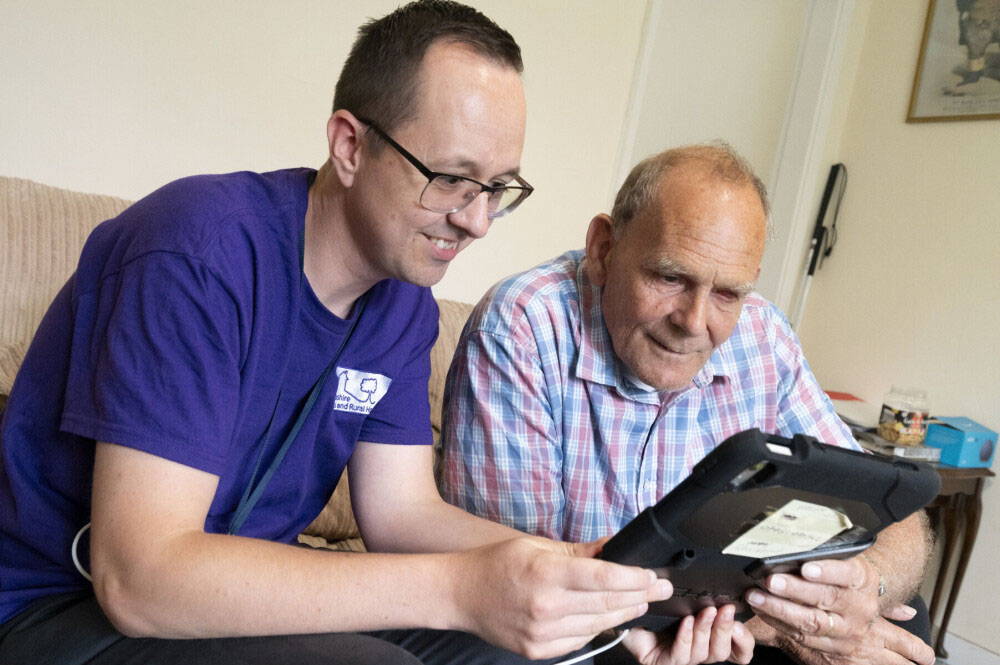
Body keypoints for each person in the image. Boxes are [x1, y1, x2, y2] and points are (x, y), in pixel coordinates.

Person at [0, 3, 718, 664]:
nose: (474, 219)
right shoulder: (195, 253)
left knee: (521, 655)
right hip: (55, 608)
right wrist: (463, 588)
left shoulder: (403, 299)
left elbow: (401, 514)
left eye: (498, 188)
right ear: (349, 145)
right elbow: (141, 580)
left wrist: (586, 570)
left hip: (226, 608)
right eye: (451, 178)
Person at [441, 144, 937, 665]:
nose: (694, 321)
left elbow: (892, 510)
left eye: (727, 293)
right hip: (593, 627)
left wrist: (864, 593)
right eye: (670, 278)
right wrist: (785, 623)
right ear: (604, 249)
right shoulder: (523, 327)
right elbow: (525, 580)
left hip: (726, 608)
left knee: (903, 616)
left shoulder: (764, 333)